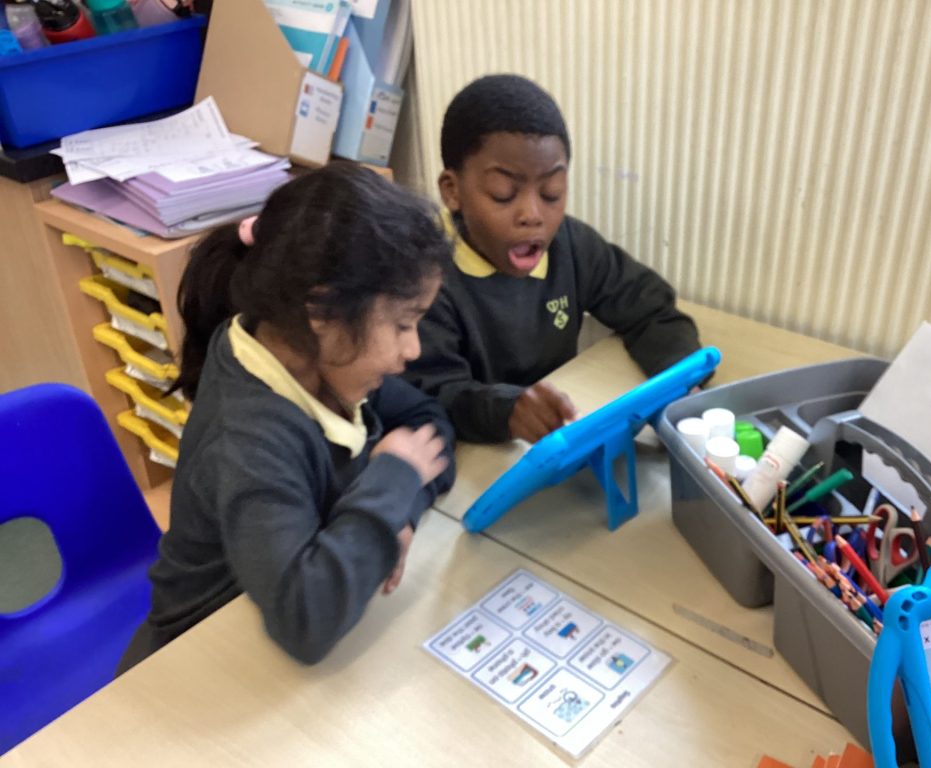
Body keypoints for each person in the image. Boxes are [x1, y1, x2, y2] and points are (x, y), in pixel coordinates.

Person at [119, 162, 456, 671]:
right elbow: (305, 620)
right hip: (198, 660)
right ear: (322, 312)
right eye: (403, 324)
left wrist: (397, 514)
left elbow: (430, 426)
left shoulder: (322, 359)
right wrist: (391, 485)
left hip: (273, 623)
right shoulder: (246, 438)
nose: (413, 350)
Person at [403, 74, 704, 444]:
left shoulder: (571, 246)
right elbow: (432, 393)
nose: (532, 215)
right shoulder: (423, 277)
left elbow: (651, 307)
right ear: (453, 191)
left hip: (559, 438)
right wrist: (508, 411)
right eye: (503, 193)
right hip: (478, 453)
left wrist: (681, 380)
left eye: (551, 193)